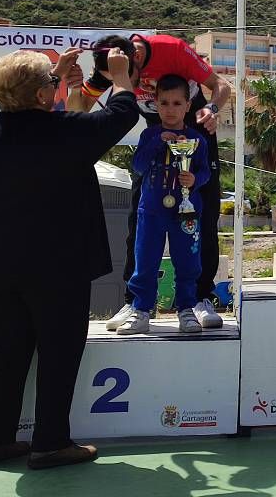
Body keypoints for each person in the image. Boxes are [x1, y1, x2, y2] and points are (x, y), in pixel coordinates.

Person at [0, 47, 139, 469]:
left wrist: (54, 76)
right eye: (48, 85)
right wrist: (120, 75)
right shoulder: (65, 132)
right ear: (43, 97)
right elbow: (122, 114)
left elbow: (31, 117)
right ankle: (50, 443)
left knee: (10, 343)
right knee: (59, 346)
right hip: (51, 258)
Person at [69, 33, 230, 331]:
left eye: (124, 79)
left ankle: (199, 298)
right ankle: (136, 303)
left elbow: (221, 86)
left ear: (136, 62)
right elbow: (78, 111)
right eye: (115, 80)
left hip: (194, 135)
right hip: (153, 142)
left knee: (201, 219)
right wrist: (74, 84)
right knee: (138, 223)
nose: (123, 87)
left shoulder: (173, 51)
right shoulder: (112, 64)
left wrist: (213, 110)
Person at [118, 74, 212, 335]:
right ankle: (141, 309)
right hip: (151, 211)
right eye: (164, 103)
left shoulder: (197, 139)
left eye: (177, 103)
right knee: (145, 260)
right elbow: (137, 166)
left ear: (188, 106)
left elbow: (205, 172)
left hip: (187, 211)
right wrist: (156, 144)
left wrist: (194, 179)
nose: (170, 110)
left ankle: (186, 309)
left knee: (188, 262)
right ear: (155, 105)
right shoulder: (149, 135)